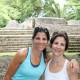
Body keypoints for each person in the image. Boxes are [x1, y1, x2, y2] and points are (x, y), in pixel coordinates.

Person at [4, 27, 79, 80]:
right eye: (37, 38)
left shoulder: (46, 57)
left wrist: (73, 61)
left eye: (44, 39)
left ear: (47, 42)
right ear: (32, 39)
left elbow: (61, 58)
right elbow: (7, 77)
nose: (41, 42)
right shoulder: (23, 54)